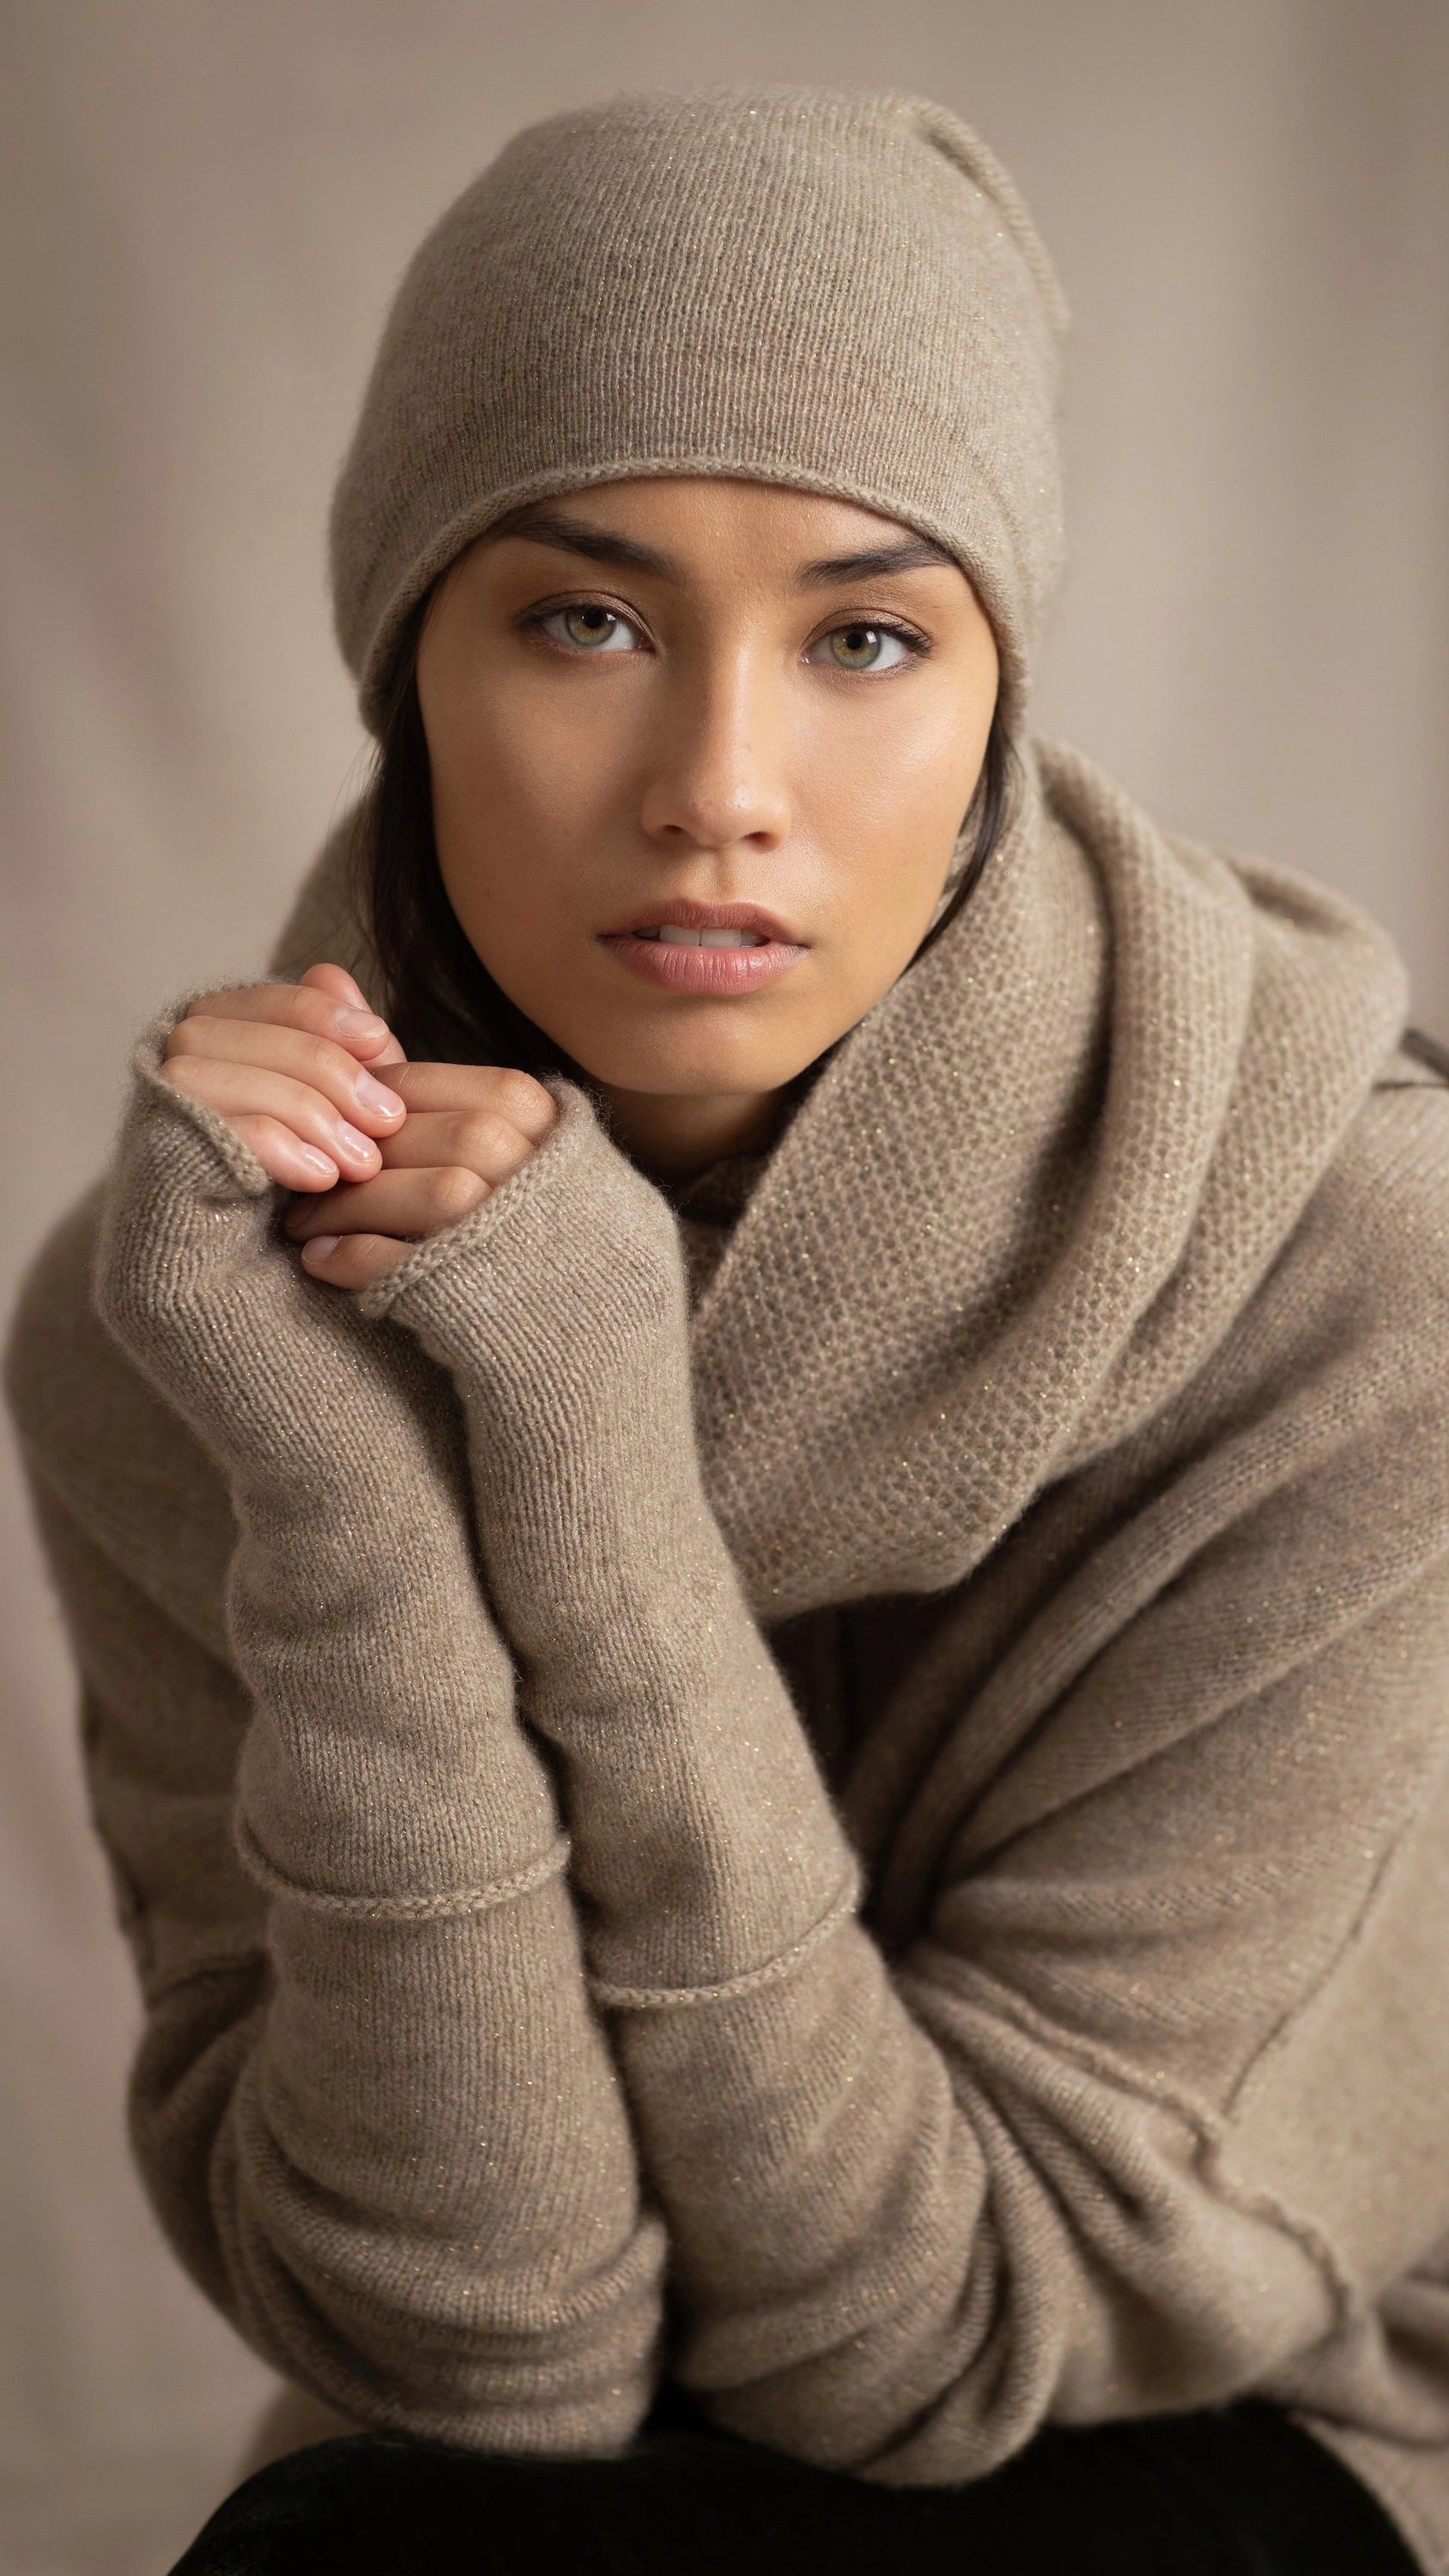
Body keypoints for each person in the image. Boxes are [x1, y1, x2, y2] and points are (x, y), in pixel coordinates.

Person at [7, 82, 1448, 2576]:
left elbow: (952, 2342)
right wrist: (352, 1471)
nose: (719, 787)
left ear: (1000, 702)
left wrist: (579, 1435)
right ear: (406, 672)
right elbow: (483, 2353)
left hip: (1245, 2439)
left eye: (869, 635)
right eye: (582, 618)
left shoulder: (1362, 1277)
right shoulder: (188, 1311)